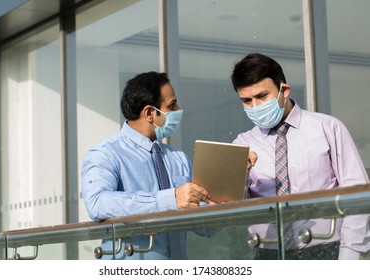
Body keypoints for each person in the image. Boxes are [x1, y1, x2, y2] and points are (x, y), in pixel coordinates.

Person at [230, 53, 370, 260]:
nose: (255, 106)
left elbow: (357, 195)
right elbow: (233, 213)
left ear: (284, 90)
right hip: (267, 254)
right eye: (246, 100)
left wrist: (349, 257)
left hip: (325, 250)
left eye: (262, 96)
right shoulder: (242, 144)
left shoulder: (327, 128)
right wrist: (240, 179)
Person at [81, 71, 214, 260]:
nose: (178, 108)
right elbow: (97, 204)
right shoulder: (106, 154)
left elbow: (206, 229)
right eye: (171, 105)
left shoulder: (179, 158)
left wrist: (219, 203)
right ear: (150, 113)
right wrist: (170, 200)